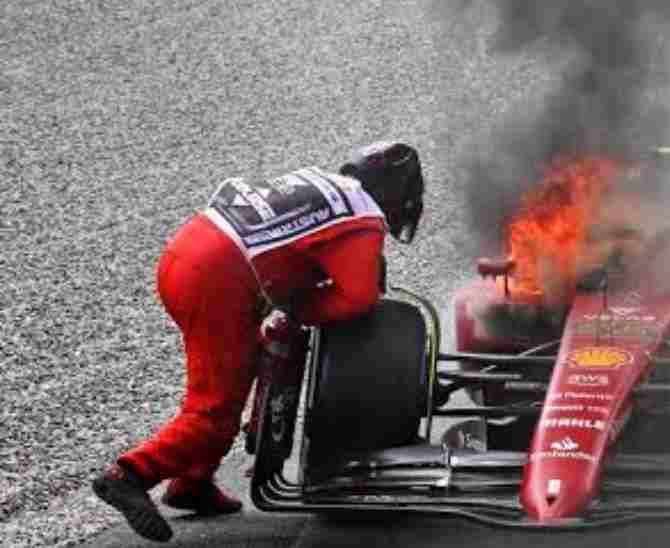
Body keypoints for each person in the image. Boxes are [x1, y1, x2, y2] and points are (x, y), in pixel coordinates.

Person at [91, 142, 425, 543]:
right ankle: (129, 474)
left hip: (184, 254)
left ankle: (192, 485)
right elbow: (357, 297)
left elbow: (289, 255)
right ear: (392, 192)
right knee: (214, 412)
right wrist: (304, 313)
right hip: (216, 281)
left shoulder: (323, 183)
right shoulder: (364, 217)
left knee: (237, 372)